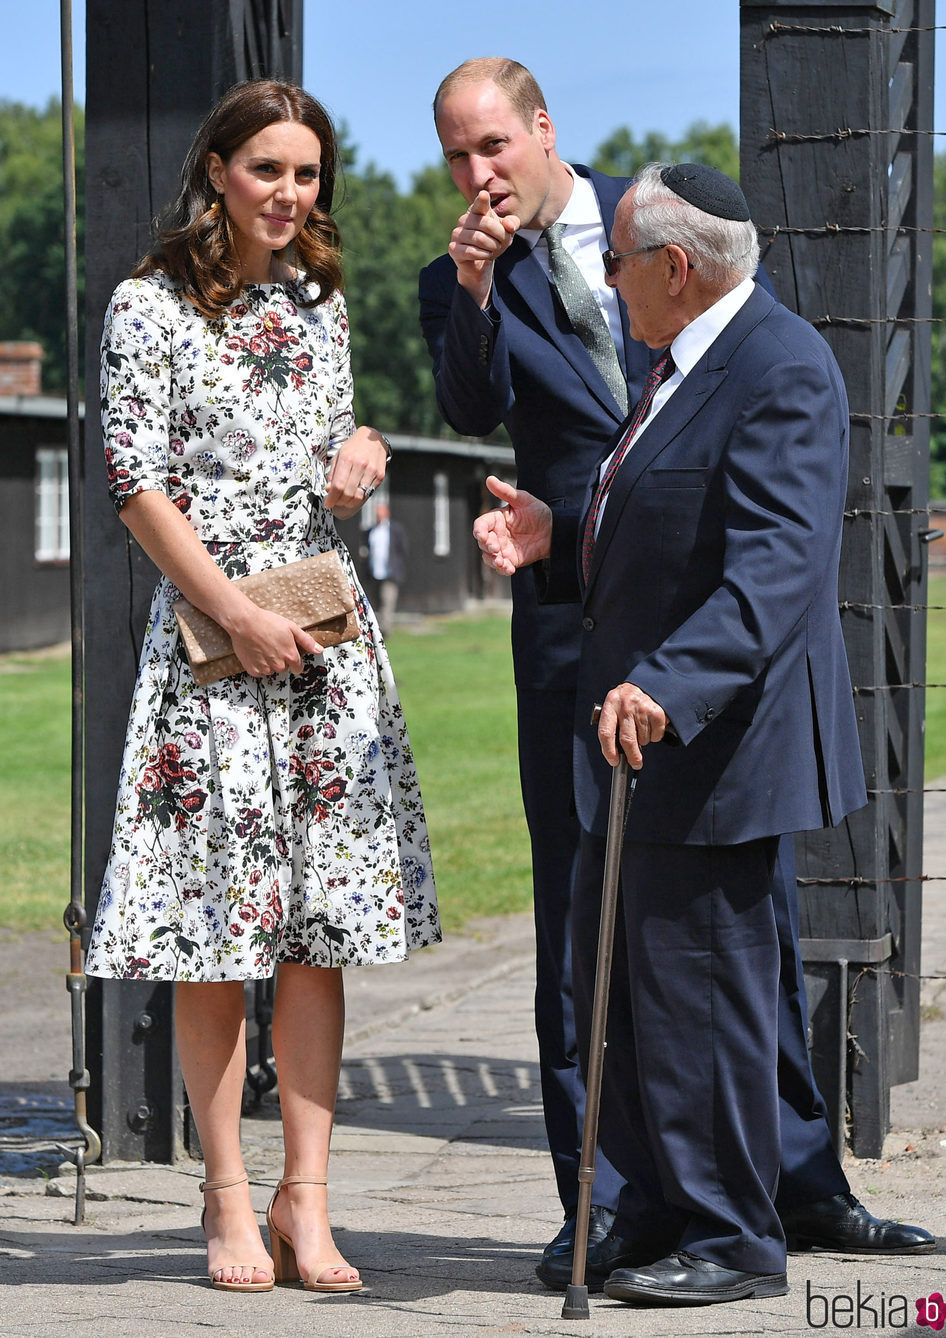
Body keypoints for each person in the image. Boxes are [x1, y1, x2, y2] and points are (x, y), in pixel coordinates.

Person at [419, 58, 934, 1289]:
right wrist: (556, 522)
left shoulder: (711, 296)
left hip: (700, 675)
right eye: (455, 158)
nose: (477, 175)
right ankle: (617, 1199)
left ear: (544, 131)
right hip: (583, 635)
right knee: (600, 942)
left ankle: (767, 1200)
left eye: (493, 144)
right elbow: (488, 410)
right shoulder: (482, 285)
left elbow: (759, 543)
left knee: (723, 947)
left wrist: (670, 662)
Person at [85, 79, 440, 1294]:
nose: (290, 194)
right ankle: (226, 1200)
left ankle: (308, 1202)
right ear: (218, 171)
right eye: (268, 169)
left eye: (308, 175)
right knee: (209, 936)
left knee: (313, 937)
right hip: (210, 651)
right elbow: (134, 482)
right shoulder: (149, 305)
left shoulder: (322, 304)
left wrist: (364, 453)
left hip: (324, 642)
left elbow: (330, 465)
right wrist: (230, 611)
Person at [366, 501, 409, 633]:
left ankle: (385, 630)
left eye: (381, 513)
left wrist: (397, 566)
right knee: (375, 602)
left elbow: (404, 549)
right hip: (374, 572)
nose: (378, 515)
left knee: (387, 601)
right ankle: (376, 629)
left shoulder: (395, 530)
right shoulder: (371, 531)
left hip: (390, 572)